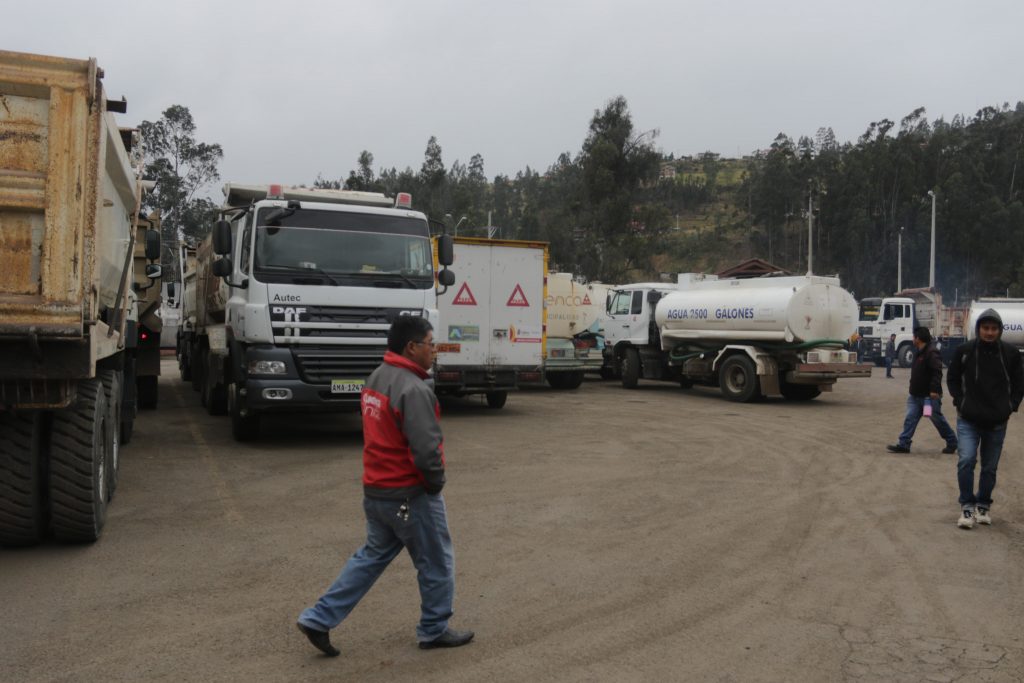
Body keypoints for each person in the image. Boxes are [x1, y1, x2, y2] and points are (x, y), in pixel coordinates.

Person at [296, 316, 473, 657]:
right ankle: (434, 629)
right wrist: (434, 486)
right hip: (408, 494)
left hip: (377, 491)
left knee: (370, 558)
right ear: (411, 347)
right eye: (430, 344)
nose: (433, 351)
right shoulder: (413, 388)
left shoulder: (378, 376)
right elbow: (425, 450)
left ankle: (318, 618)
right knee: (436, 561)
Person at [946, 309, 1024, 529]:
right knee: (966, 461)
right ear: (979, 328)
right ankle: (967, 507)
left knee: (989, 468)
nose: (989, 332)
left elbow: (1019, 384)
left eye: (993, 328)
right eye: (985, 328)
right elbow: (952, 379)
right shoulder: (965, 351)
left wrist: (1010, 406)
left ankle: (983, 505)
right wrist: (960, 402)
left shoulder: (1011, 354)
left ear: (999, 330)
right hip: (968, 419)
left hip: (997, 422)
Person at [887, 327, 958, 455]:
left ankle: (952, 441)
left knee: (936, 419)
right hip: (915, 396)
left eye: (914, 337)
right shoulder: (918, 351)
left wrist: (934, 390)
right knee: (910, 418)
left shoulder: (932, 352)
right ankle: (903, 444)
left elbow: (937, 372)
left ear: (918, 338)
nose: (913, 339)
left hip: (928, 398)